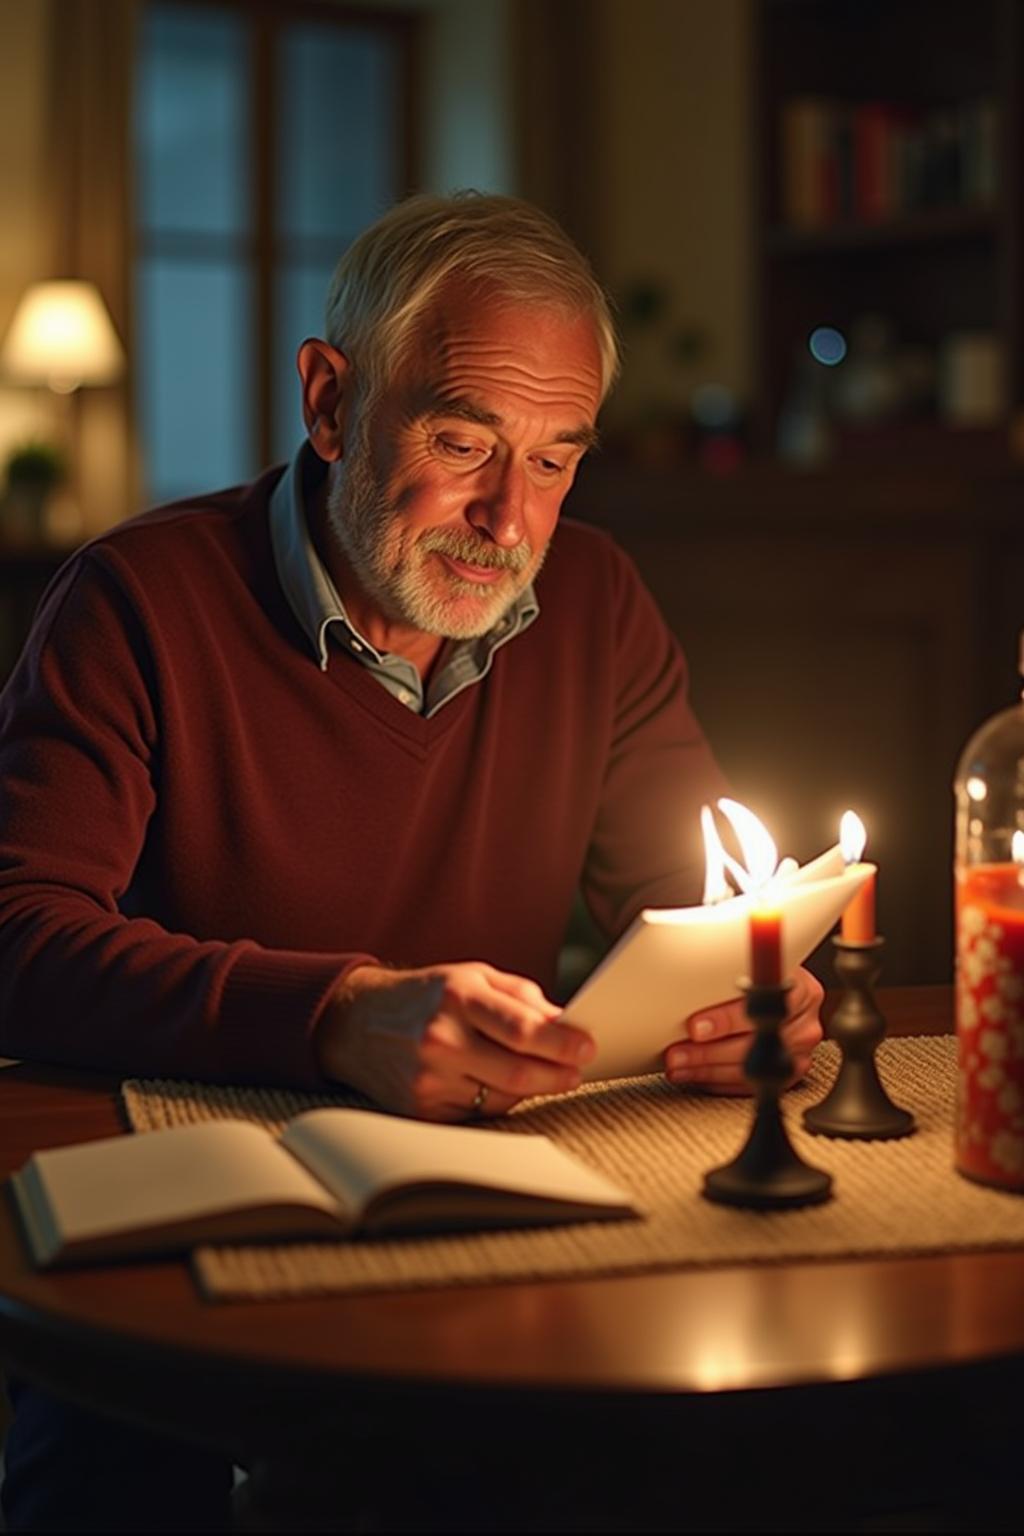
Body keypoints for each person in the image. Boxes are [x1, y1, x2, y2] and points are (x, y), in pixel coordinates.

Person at [0, 192, 822, 1530]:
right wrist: (332, 1015)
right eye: (462, 442)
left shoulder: (598, 602)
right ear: (330, 405)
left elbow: (695, 904)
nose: (509, 519)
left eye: (554, 460)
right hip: (171, 1245)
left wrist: (747, 992)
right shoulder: (135, 599)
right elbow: (17, 935)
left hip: (485, 1223)